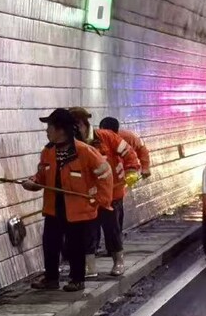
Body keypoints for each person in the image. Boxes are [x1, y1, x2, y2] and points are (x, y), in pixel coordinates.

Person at [27, 108, 110, 292]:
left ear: (61, 130)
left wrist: (100, 200)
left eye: (49, 127)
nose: (46, 131)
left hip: (77, 209)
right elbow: (41, 176)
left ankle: (77, 279)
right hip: (53, 207)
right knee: (50, 243)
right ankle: (51, 279)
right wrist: (33, 182)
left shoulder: (85, 151)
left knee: (75, 245)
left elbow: (105, 174)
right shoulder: (48, 152)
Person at [70, 108, 136, 277]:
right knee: (88, 231)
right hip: (87, 197)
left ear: (83, 124)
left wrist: (131, 172)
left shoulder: (107, 137)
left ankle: (118, 261)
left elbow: (129, 153)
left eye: (75, 126)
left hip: (111, 193)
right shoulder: (72, 146)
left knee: (111, 228)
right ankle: (89, 267)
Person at [100, 114, 151, 235]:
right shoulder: (96, 142)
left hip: (119, 180)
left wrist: (145, 167)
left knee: (116, 207)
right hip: (103, 183)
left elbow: (141, 148)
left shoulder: (127, 137)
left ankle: (117, 236)